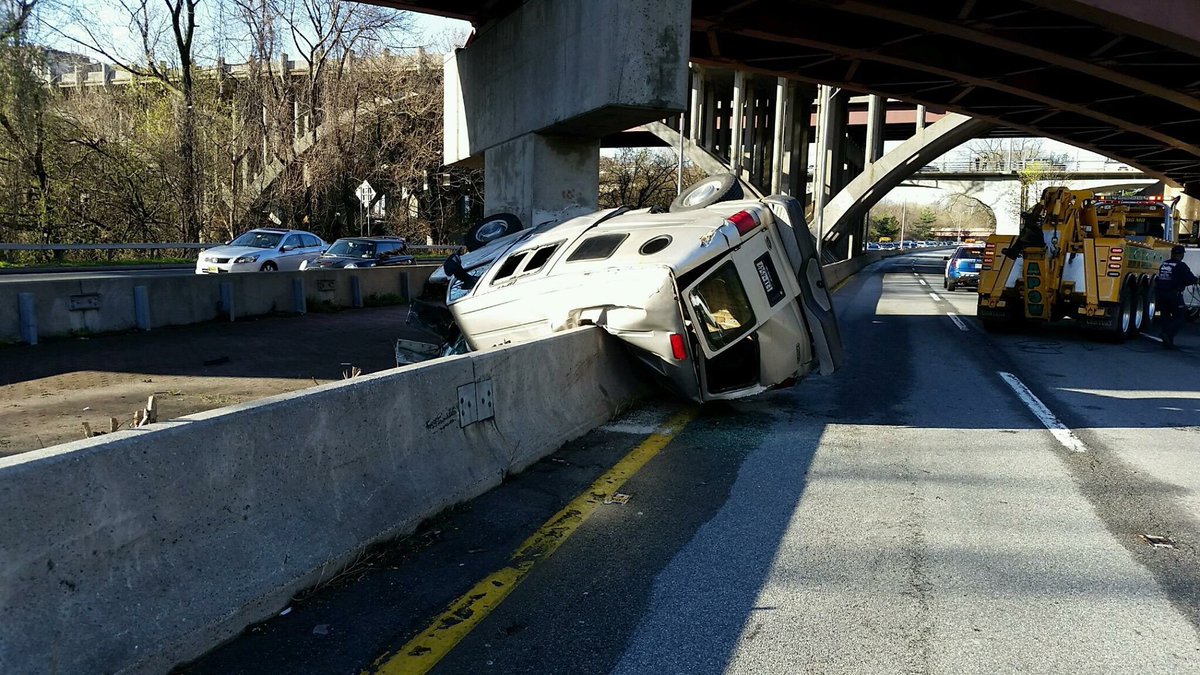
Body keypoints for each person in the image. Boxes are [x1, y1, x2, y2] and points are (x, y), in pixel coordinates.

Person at [1156, 245, 1198, 349]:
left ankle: (1167, 341)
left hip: (1161, 293)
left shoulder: (1164, 264)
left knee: (1165, 315)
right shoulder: (1181, 266)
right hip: (1174, 294)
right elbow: (1191, 279)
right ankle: (1168, 334)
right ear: (1181, 255)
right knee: (1180, 316)